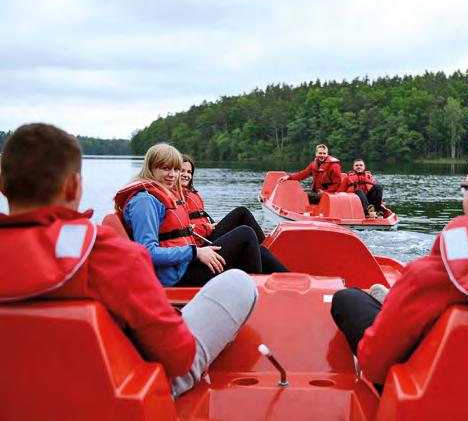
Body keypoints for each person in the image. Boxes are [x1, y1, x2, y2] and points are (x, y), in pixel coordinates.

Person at [0, 123, 258, 398]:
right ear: (75, 186)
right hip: (104, 397)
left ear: (2, 186)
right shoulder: (109, 255)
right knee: (238, 284)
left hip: (16, 394)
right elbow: (179, 358)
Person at [330, 140, 468, 387]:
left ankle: (389, 304)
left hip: (440, 392)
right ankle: (389, 301)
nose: (463, 194)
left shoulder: (434, 276)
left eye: (467, 188)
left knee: (348, 299)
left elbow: (375, 364)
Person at [115, 143, 288, 287]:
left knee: (259, 250)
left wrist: (196, 251)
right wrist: (195, 253)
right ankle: (254, 299)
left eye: (175, 169)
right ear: (150, 168)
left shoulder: (159, 194)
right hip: (176, 278)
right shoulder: (144, 201)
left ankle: (297, 285)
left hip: (183, 266)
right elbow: (147, 252)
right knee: (245, 234)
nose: (172, 175)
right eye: (165, 168)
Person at [180, 154, 266, 246]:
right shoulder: (177, 196)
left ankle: (264, 246)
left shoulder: (190, 193)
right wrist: (207, 228)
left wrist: (211, 226)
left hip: (208, 233)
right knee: (242, 213)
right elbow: (183, 229)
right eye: (182, 171)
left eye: (189, 172)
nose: (186, 175)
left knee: (242, 221)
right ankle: (267, 245)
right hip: (203, 242)